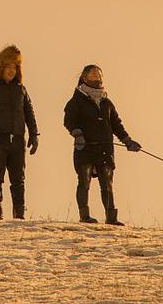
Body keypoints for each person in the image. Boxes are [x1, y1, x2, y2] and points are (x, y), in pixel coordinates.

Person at [63, 64, 141, 225]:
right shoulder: (76, 100)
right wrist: (77, 134)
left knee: (107, 183)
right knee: (84, 181)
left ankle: (111, 217)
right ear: (84, 78)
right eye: (92, 74)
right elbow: (69, 121)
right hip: (85, 148)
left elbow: (116, 124)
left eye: (98, 74)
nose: (96, 76)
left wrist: (127, 140)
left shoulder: (107, 102)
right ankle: (85, 216)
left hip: (105, 148)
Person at [0, 44, 39, 220]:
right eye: (9, 66)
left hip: (18, 141)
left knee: (19, 181)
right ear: (0, 67)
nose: (12, 71)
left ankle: (19, 218)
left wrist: (34, 134)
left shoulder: (21, 89)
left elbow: (29, 112)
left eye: (15, 67)